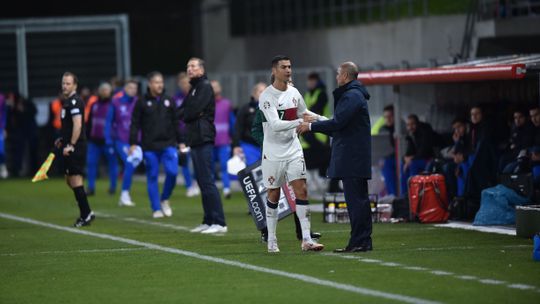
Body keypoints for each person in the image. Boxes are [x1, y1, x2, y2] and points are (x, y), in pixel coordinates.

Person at [298, 61, 372, 253]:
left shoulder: (351, 96)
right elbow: (341, 128)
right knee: (359, 201)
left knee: (356, 202)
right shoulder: (354, 96)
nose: (337, 77)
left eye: (339, 74)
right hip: (355, 157)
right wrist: (318, 120)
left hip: (352, 158)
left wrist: (311, 127)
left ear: (346, 76)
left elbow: (338, 124)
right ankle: (362, 241)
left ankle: (359, 241)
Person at [258, 55, 325, 253]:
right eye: (284, 67)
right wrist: (299, 123)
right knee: (273, 193)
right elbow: (276, 125)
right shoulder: (267, 96)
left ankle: (306, 239)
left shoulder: (294, 92)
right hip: (272, 153)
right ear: (274, 71)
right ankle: (271, 239)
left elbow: (305, 113)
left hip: (293, 150)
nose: (288, 70)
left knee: (302, 190)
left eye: (289, 67)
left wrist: (326, 120)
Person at [179, 58, 227, 234]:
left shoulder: (205, 86)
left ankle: (220, 222)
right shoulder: (194, 88)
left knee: (207, 181)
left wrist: (189, 114)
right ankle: (208, 220)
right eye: (188, 66)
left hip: (204, 137)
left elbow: (191, 111)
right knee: (201, 180)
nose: (189, 69)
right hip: (195, 138)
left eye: (193, 66)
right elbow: (184, 111)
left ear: (201, 69)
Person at [129, 72, 180, 218]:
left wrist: (181, 141)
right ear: (150, 84)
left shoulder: (169, 100)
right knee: (152, 176)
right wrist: (133, 143)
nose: (160, 85)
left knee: (173, 172)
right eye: (156, 82)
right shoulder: (141, 102)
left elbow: (177, 122)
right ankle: (156, 208)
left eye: (161, 82)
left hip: (168, 144)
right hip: (149, 146)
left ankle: (165, 198)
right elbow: (134, 124)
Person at [54, 72, 95, 227]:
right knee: (70, 180)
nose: (65, 86)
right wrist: (62, 140)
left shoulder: (75, 102)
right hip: (70, 144)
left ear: (75, 85)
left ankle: (85, 215)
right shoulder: (68, 102)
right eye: (63, 83)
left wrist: (71, 144)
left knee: (75, 179)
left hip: (76, 146)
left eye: (68, 83)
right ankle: (87, 211)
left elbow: (78, 125)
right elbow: (69, 126)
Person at [105, 79, 141, 206]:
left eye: (135, 88)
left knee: (132, 165)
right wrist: (108, 140)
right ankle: (124, 194)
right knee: (129, 163)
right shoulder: (116, 102)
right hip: (121, 140)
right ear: (125, 89)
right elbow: (109, 121)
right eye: (130, 88)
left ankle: (125, 192)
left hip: (136, 141)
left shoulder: (138, 102)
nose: (133, 90)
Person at [85, 82, 118, 196]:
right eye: (102, 89)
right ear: (99, 91)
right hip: (94, 140)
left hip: (108, 141)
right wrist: (88, 136)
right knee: (91, 164)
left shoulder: (113, 105)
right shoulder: (94, 105)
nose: (104, 92)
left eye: (106, 90)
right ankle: (90, 188)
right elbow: (89, 121)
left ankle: (113, 188)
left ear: (110, 91)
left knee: (112, 164)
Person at [172, 72, 199, 197]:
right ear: (179, 84)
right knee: (184, 161)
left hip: (194, 133)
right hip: (182, 135)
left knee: (196, 160)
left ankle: (195, 182)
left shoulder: (196, 95)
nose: (185, 85)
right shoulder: (175, 99)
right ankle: (189, 185)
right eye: (182, 83)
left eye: (186, 82)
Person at [233, 82, 266, 166]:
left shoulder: (272, 108)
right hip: (249, 146)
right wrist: (236, 145)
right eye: (260, 91)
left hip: (267, 147)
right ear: (254, 94)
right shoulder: (245, 109)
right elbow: (238, 127)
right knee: (254, 173)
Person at [211, 80, 234, 199]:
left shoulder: (226, 104)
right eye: (212, 86)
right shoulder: (206, 105)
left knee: (224, 166)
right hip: (210, 141)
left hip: (224, 141)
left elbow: (232, 122)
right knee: (210, 167)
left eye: (216, 86)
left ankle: (226, 188)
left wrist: (233, 138)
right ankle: (212, 191)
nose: (214, 88)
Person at [400, 114, 434, 195]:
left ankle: (415, 194)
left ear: (417, 124)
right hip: (417, 160)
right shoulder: (411, 135)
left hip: (428, 160)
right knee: (403, 165)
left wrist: (410, 159)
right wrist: (405, 159)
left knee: (412, 164)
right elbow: (408, 152)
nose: (410, 127)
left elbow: (423, 152)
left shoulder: (424, 132)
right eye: (408, 125)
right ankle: (405, 195)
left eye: (413, 124)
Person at [0, 93, 7, 178]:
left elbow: (4, 113)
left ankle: (3, 168)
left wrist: (4, 127)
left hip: (0, 128)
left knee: (1, 150)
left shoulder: (1, 98)